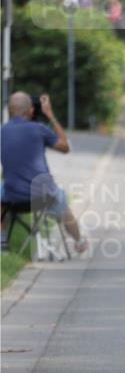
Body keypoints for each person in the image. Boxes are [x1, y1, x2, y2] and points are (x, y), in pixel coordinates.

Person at [1, 92, 88, 253]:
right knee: (60, 198)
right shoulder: (39, 129)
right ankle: (79, 241)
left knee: (1, 191)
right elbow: (65, 147)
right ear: (31, 110)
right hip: (43, 197)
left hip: (13, 198)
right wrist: (50, 114)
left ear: (9, 110)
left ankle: (2, 243)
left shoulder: (2, 132)